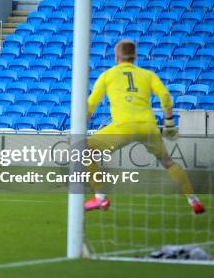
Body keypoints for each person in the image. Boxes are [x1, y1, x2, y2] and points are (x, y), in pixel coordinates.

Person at [85, 40, 204, 214]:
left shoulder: (107, 76)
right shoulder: (147, 75)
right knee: (168, 162)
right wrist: (169, 123)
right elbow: (164, 95)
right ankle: (194, 201)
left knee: (84, 151)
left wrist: (81, 124)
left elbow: (90, 105)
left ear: (116, 56)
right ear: (135, 57)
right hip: (148, 126)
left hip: (123, 127)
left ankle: (100, 198)